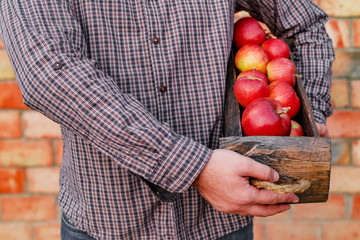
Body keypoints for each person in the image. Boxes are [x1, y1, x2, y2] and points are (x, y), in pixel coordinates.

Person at [0, 0, 334, 239]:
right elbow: (49, 73)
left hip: (220, 225)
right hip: (108, 221)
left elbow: (305, 23)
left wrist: (309, 111)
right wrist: (194, 167)